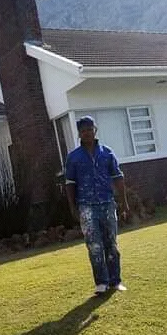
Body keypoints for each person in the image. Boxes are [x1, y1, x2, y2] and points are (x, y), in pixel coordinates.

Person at [65, 115, 130, 295]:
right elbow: (70, 183)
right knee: (94, 246)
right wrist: (72, 207)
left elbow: (118, 177)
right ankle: (101, 282)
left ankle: (115, 281)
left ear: (95, 130)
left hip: (107, 204)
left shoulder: (107, 153)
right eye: (83, 131)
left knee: (111, 244)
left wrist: (124, 202)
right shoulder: (73, 157)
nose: (87, 133)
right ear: (79, 133)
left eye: (90, 129)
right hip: (86, 206)